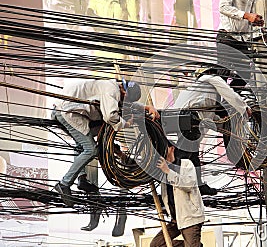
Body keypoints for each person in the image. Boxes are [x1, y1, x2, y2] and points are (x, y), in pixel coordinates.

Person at [53, 78, 159, 207]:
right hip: (67, 111)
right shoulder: (112, 90)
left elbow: (121, 104)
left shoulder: (112, 87)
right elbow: (110, 116)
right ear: (124, 92)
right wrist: (126, 124)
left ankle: (81, 179)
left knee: (81, 144)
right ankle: (64, 184)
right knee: (91, 149)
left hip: (70, 110)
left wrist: (146, 107)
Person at [171, 67, 251, 195]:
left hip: (186, 120)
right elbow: (229, 94)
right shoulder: (210, 79)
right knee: (182, 158)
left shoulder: (204, 92)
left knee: (193, 156)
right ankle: (173, 194)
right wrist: (244, 108)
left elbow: (210, 117)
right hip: (188, 119)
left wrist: (225, 129)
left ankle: (200, 186)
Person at [150, 144, 205, 247]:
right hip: (176, 220)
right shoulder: (162, 171)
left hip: (190, 218)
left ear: (172, 149)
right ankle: (194, 245)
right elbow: (141, 167)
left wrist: (168, 171)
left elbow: (188, 185)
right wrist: (121, 155)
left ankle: (193, 244)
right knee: (156, 244)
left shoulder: (186, 165)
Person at [217, 0, 264, 90]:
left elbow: (249, 15)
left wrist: (254, 20)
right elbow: (223, 7)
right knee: (223, 73)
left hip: (241, 39)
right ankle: (217, 105)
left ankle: (231, 100)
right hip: (227, 36)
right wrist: (247, 16)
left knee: (245, 74)